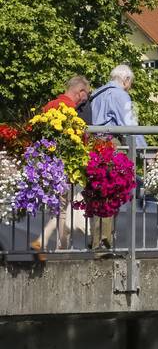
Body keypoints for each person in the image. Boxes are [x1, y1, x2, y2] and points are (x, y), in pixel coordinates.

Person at [30, 77, 92, 256]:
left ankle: (44, 242)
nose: (85, 98)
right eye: (85, 94)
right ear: (80, 92)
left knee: (61, 207)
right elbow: (79, 139)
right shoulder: (69, 110)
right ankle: (60, 249)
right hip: (65, 165)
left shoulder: (50, 106)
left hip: (48, 164)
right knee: (63, 208)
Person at [88, 65, 139, 254]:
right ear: (125, 80)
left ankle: (95, 241)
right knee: (112, 191)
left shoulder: (97, 94)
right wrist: (144, 151)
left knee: (98, 193)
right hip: (111, 145)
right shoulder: (120, 95)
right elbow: (129, 124)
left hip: (94, 145)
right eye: (129, 84)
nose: (129, 88)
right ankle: (105, 242)